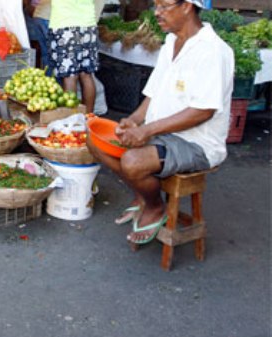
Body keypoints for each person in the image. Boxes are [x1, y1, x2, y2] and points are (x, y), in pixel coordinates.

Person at [87, 0, 234, 245]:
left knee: (133, 162)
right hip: (162, 134)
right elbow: (153, 92)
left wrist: (147, 130)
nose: (157, 13)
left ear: (187, 6)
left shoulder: (212, 50)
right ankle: (142, 194)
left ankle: (155, 206)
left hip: (197, 143)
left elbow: (203, 111)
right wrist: (134, 121)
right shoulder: (170, 42)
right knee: (93, 141)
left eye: (164, 6)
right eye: (156, 6)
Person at [48, 0, 98, 113]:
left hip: (65, 25)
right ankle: (88, 118)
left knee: (70, 76)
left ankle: (71, 119)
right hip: (88, 25)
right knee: (86, 75)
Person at [24, 0, 52, 71]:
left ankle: (48, 78)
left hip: (38, 15)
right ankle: (53, 80)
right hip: (49, 16)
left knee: (45, 52)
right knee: (53, 53)